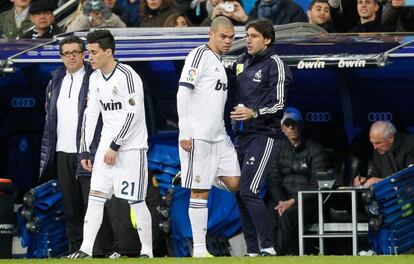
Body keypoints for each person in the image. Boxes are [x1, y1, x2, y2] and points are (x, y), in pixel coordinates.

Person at [67, 29, 153, 258]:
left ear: (108, 52)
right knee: (95, 198)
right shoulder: (94, 78)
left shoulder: (128, 75)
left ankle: (147, 252)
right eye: (88, 52)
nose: (89, 57)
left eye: (93, 52)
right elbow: (90, 114)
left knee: (135, 200)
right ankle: (85, 249)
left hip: (131, 148)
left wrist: (116, 146)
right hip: (106, 148)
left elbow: (134, 114)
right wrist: (85, 150)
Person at [177, 16, 240, 257]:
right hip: (198, 136)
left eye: (231, 37)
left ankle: (191, 174)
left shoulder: (220, 61)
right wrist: (185, 129)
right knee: (200, 192)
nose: (227, 41)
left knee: (234, 182)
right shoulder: (199, 56)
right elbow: (183, 93)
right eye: (223, 36)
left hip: (219, 136)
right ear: (211, 35)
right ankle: (201, 249)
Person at [229, 18, 292, 256]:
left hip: (265, 135)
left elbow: (280, 104)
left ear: (267, 40)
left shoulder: (276, 64)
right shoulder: (241, 62)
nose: (248, 39)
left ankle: (268, 247)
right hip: (241, 135)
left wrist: (254, 113)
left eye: (254, 36)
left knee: (249, 191)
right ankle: (253, 250)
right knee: (239, 193)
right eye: (247, 35)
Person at [39, 36, 102, 254]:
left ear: (84, 53)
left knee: (92, 203)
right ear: (61, 57)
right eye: (67, 53)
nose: (72, 56)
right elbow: (49, 117)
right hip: (62, 152)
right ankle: (76, 248)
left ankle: (98, 249)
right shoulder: (55, 80)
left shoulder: (94, 78)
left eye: (76, 52)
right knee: (71, 205)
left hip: (87, 152)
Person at [267, 107, 329, 255]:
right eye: (287, 125)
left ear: (301, 125)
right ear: (282, 129)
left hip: (307, 202)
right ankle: (268, 251)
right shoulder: (277, 150)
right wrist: (282, 201)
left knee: (287, 215)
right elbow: (273, 181)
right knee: (269, 212)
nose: (291, 128)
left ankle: (281, 255)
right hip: (283, 200)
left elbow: (317, 185)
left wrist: (293, 201)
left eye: (294, 124)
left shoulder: (315, 149)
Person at [353, 121, 414, 187]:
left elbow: (410, 177)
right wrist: (365, 181)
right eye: (372, 143)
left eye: (378, 143)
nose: (375, 147)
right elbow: (375, 175)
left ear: (391, 137)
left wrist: (381, 181)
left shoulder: (410, 143)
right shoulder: (379, 151)